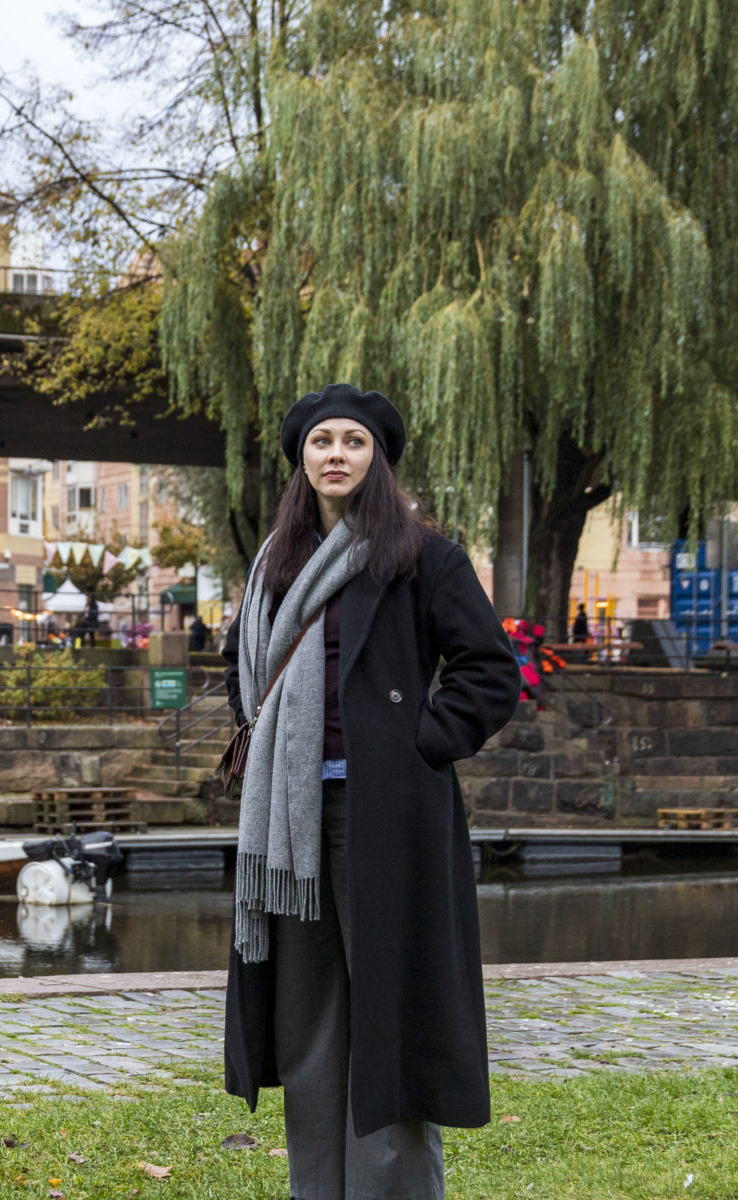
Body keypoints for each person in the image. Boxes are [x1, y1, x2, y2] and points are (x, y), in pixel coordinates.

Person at [219, 384, 519, 1200]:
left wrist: (415, 746)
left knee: (391, 1026)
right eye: (322, 442)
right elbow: (241, 669)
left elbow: (490, 673)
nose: (337, 455)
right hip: (290, 825)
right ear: (302, 460)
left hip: (387, 816)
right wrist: (264, 739)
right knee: (310, 1025)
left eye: (354, 441)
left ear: (376, 458)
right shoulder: (274, 566)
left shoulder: (421, 557)